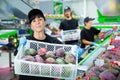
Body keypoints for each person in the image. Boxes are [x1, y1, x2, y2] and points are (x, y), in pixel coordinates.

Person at [17, 9, 62, 80]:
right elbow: (17, 58)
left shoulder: (54, 42)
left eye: (40, 19)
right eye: (34, 21)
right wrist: (19, 49)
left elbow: (63, 55)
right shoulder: (26, 41)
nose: (37, 22)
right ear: (31, 26)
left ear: (44, 22)